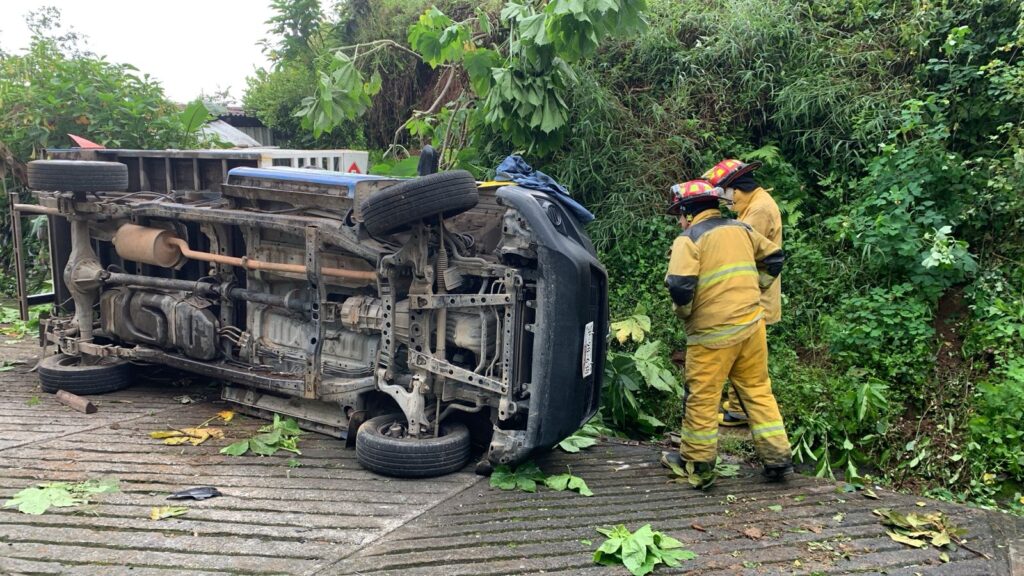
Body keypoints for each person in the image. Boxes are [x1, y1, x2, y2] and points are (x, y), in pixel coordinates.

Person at [661, 179, 792, 489]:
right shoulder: (741, 229)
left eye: (680, 215)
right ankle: (778, 460)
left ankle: (698, 463)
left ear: (689, 213)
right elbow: (775, 258)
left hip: (712, 336)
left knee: (703, 397)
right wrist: (758, 286)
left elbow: (679, 285)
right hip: (751, 327)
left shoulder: (689, 239)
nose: (679, 221)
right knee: (758, 389)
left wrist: (685, 313)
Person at [703, 159, 783, 427]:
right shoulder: (753, 204)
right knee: (746, 355)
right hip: (752, 291)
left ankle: (740, 410)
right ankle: (738, 407)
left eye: (728, 198)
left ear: (736, 190)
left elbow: (745, 249)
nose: (729, 205)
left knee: (746, 358)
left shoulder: (758, 210)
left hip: (754, 293)